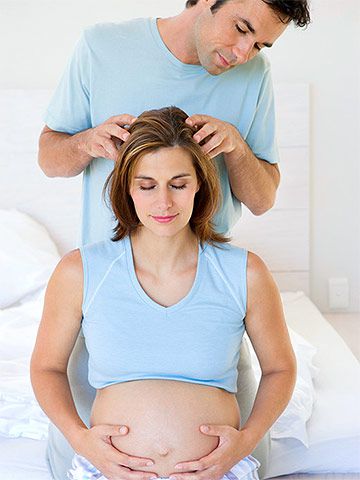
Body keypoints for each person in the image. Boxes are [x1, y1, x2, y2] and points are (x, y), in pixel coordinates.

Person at [37, 1, 310, 477]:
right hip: (106, 306)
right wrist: (86, 142)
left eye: (261, 43)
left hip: (211, 298)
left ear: (199, 185)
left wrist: (238, 149)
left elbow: (263, 199)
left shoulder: (254, 74)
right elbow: (48, 157)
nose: (246, 52)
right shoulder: (102, 47)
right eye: (242, 29)